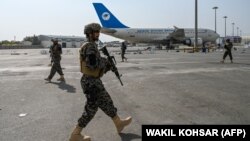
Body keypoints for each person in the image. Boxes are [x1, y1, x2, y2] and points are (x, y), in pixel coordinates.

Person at [69, 23, 132, 141]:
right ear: (89, 33)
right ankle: (75, 134)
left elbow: (96, 65)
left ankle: (119, 123)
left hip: (93, 81)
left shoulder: (91, 46)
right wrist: (106, 63)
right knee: (91, 109)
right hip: (90, 82)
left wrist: (108, 66)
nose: (98, 34)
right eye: (95, 32)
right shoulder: (90, 47)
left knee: (107, 102)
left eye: (98, 32)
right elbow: (92, 65)